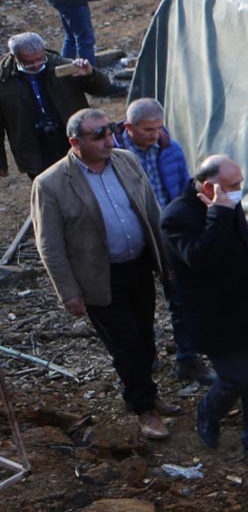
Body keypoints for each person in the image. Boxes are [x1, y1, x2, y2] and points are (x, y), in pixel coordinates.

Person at [30, 109, 177, 440]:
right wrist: (68, 291)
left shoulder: (125, 160)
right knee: (126, 346)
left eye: (109, 132)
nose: (109, 140)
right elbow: (49, 244)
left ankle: (145, 393)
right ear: (75, 141)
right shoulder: (51, 184)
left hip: (137, 266)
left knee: (144, 336)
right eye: (98, 135)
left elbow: (151, 210)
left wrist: (165, 260)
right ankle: (144, 409)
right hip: (98, 276)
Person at [162, 154, 248, 455]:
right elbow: (199, 257)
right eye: (232, 185)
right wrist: (219, 215)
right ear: (209, 186)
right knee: (238, 375)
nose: (239, 190)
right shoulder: (177, 216)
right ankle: (209, 413)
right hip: (217, 316)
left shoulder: (227, 204)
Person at [114, 99, 210, 383]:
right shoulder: (114, 155)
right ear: (129, 127)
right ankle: (145, 359)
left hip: (168, 234)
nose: (155, 135)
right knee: (138, 301)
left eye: (158, 128)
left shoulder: (171, 149)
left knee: (181, 297)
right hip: (133, 236)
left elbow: (182, 190)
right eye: (147, 130)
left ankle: (188, 358)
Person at [1, 32, 109, 181]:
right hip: (33, 148)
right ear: (15, 57)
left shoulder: (63, 66)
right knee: (49, 192)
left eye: (40, 59)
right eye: (29, 62)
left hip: (69, 138)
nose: (36, 65)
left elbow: (102, 89)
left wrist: (90, 74)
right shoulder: (4, 81)